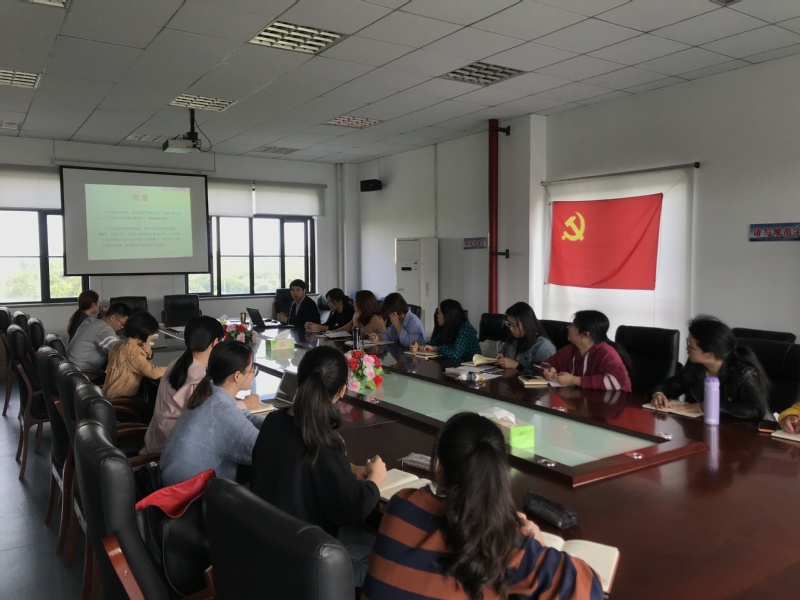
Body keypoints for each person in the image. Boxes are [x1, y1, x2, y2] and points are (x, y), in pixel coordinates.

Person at [362, 412, 603, 599]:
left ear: (437, 465)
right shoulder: (502, 539)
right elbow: (589, 589)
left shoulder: (401, 505)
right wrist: (534, 540)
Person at [251, 346, 387, 586]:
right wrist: (375, 478)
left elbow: (303, 464)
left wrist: (347, 468)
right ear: (342, 391)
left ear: (299, 380)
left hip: (266, 544)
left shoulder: (274, 421)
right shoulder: (323, 441)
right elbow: (353, 507)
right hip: (302, 562)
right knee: (385, 553)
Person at [142, 316, 258, 454]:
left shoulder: (177, 363)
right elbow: (213, 416)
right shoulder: (199, 378)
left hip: (158, 438)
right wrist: (245, 404)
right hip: (173, 448)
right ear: (215, 343)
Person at [159, 341, 266, 486]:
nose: (254, 372)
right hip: (190, 495)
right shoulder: (222, 411)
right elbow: (263, 451)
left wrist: (274, 421)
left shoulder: (209, 393)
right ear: (237, 376)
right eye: (252, 368)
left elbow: (242, 415)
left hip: (169, 483)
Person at [651, 315, 770, 420]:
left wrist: (706, 406)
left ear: (710, 354)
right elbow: (673, 384)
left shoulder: (743, 372)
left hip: (738, 432)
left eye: (691, 346)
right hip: (699, 427)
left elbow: (755, 409)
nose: (687, 349)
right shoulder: (695, 366)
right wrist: (659, 393)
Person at [541, 310, 632, 392]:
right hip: (583, 400)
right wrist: (548, 370)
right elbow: (545, 364)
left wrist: (573, 380)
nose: (568, 327)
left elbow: (615, 381)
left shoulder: (606, 353)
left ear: (586, 334)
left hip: (616, 402)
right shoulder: (571, 349)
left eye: (572, 325)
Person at [102, 311, 167, 400]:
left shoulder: (119, 344)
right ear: (144, 332)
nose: (151, 337)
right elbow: (152, 372)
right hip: (121, 400)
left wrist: (149, 355)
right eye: (151, 334)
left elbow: (141, 367)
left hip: (109, 394)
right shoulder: (132, 352)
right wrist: (174, 367)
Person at [67, 302, 131, 373]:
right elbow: (120, 351)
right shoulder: (104, 329)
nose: (121, 328)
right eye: (122, 324)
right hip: (83, 373)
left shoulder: (90, 320)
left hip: (70, 369)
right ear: (112, 318)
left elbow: (113, 339)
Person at [411, 299, 480, 362]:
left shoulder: (465, 328)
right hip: (454, 365)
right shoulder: (448, 328)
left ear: (447, 315)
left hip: (471, 367)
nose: (437, 316)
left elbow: (455, 353)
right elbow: (432, 344)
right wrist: (418, 346)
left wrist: (436, 349)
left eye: (439, 313)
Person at [495, 302, 556, 372]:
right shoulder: (512, 338)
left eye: (514, 325)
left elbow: (543, 375)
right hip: (507, 377)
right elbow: (502, 354)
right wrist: (500, 359)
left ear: (526, 323)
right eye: (509, 324)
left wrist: (517, 366)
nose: (511, 329)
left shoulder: (543, 346)